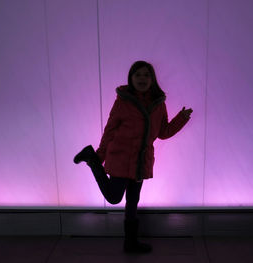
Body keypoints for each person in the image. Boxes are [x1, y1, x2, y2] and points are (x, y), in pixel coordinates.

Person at [73, 60, 193, 253]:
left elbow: (163, 132)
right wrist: (99, 156)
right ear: (131, 78)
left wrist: (182, 118)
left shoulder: (159, 103)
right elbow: (110, 131)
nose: (142, 78)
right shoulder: (123, 101)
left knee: (133, 201)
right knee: (113, 198)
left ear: (152, 78)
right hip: (121, 158)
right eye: (138, 75)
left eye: (146, 75)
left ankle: (130, 243)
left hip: (141, 162)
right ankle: (91, 158)